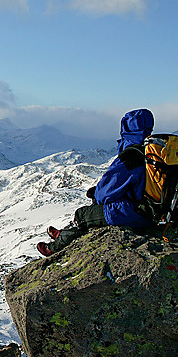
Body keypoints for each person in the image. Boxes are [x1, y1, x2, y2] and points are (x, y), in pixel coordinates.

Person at [37, 108, 155, 257]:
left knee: (83, 214)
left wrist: (96, 192)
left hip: (135, 213)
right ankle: (65, 233)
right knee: (94, 212)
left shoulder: (131, 156)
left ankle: (55, 247)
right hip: (151, 210)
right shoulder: (152, 152)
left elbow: (105, 193)